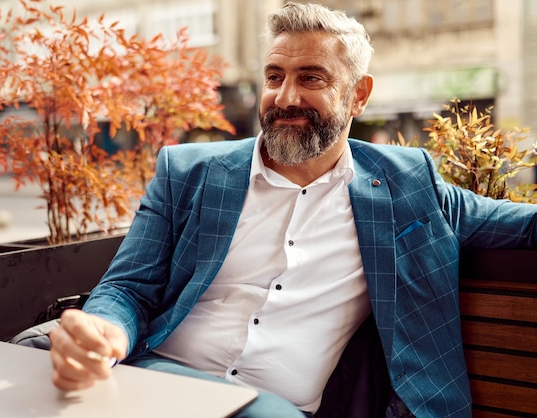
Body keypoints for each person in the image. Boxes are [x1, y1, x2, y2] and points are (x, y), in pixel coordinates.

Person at [48, 3, 537, 417]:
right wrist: (105, 332)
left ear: (358, 95)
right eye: (275, 76)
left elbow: (519, 226)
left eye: (311, 78)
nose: (286, 97)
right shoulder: (189, 170)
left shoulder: (406, 184)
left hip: (271, 405)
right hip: (159, 379)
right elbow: (129, 286)